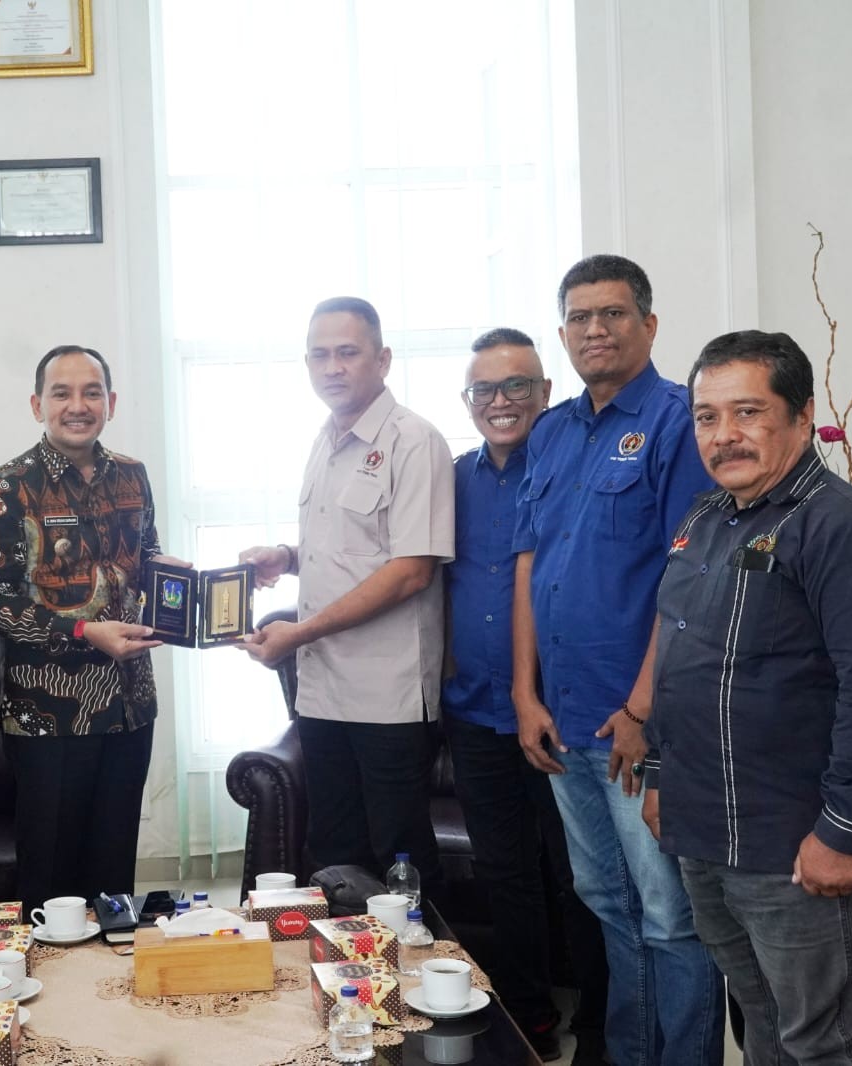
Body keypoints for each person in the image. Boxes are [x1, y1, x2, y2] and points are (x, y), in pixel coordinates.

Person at [644, 331, 852, 1065]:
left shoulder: (848, 529)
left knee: (823, 1039)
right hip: (705, 831)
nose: (723, 435)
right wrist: (659, 775)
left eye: (747, 412)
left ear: (801, 417)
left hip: (792, 847)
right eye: (706, 417)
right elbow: (679, 661)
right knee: (760, 1021)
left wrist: (842, 833)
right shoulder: (704, 519)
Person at [510, 255, 723, 1065]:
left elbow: (688, 580)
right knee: (608, 903)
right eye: (578, 317)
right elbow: (529, 564)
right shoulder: (551, 431)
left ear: (648, 324)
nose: (594, 329)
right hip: (564, 720)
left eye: (612, 313)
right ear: (562, 332)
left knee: (670, 917)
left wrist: (640, 711)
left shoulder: (676, 423)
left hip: (637, 727)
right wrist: (525, 695)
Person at [239, 297, 453, 883]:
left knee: (399, 858)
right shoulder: (324, 439)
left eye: (348, 353)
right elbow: (349, 550)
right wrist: (286, 557)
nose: (332, 367)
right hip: (322, 691)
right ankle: (344, 950)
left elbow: (411, 570)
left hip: (388, 696)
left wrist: (300, 632)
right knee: (334, 851)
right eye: (319, 355)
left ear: (382, 359)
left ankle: (420, 948)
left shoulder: (414, 441)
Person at [440, 328, 609, 1063]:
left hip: (557, 712)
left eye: (517, 385)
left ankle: (601, 1024)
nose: (500, 401)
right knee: (503, 870)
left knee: (582, 875)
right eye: (484, 389)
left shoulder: (573, 467)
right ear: (468, 401)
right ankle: (527, 1015)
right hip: (474, 711)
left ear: (545, 392)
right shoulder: (453, 477)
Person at [0, 344, 177, 915]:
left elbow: (145, 555)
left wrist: (176, 579)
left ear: (110, 402)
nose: (77, 406)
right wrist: (84, 632)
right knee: (53, 888)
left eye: (91, 393)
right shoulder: (3, 488)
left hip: (131, 706)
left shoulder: (132, 475)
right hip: (48, 718)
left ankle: (109, 974)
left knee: (113, 881)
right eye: (62, 393)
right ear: (38, 405)